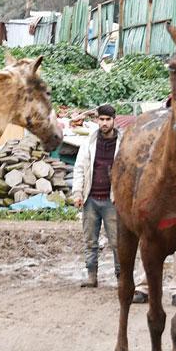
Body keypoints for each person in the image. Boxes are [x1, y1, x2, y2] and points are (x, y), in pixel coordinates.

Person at [71, 104, 121, 288]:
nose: (105, 123)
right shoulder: (89, 143)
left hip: (112, 201)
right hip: (90, 199)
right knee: (90, 240)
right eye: (101, 119)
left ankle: (120, 277)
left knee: (117, 242)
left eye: (108, 119)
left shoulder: (122, 143)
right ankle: (91, 275)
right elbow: (79, 169)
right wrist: (77, 192)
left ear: (114, 120)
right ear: (97, 120)